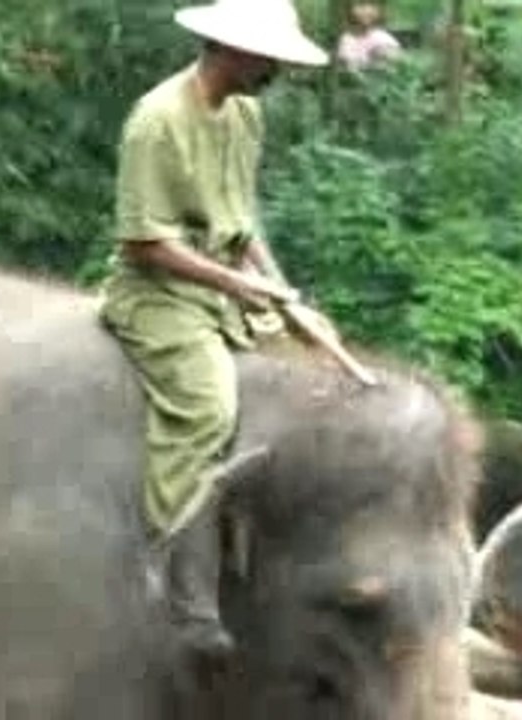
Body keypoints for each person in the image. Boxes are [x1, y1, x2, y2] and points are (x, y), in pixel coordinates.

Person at [99, 0, 330, 661]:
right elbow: (144, 241)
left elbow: (243, 220)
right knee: (208, 406)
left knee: (304, 378)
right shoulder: (158, 120)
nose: (274, 71)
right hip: (163, 295)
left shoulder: (244, 115)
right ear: (228, 49)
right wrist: (238, 286)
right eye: (267, 58)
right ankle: (175, 577)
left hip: (230, 288)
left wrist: (286, 297)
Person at [337, 2, 403, 71]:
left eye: (373, 5)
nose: (367, 10)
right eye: (361, 4)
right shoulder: (345, 38)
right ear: (348, 8)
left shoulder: (382, 39)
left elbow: (394, 64)